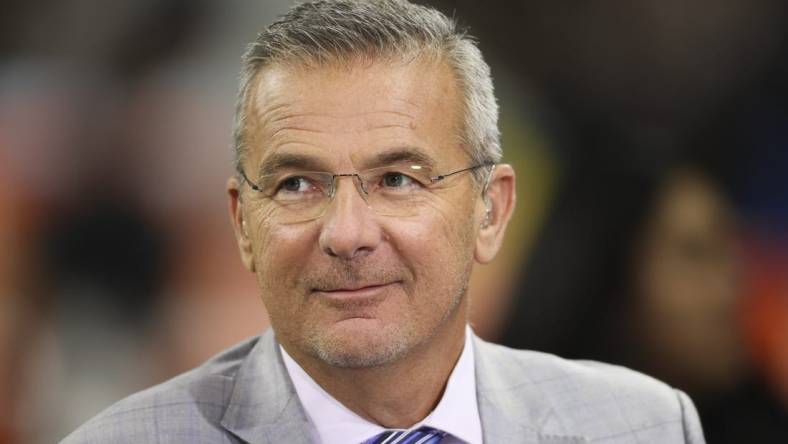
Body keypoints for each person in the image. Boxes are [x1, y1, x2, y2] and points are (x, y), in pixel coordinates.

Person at [61, 1, 705, 443]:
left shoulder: (645, 425)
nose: (347, 234)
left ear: (492, 209)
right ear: (242, 224)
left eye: (397, 180)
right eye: (297, 185)